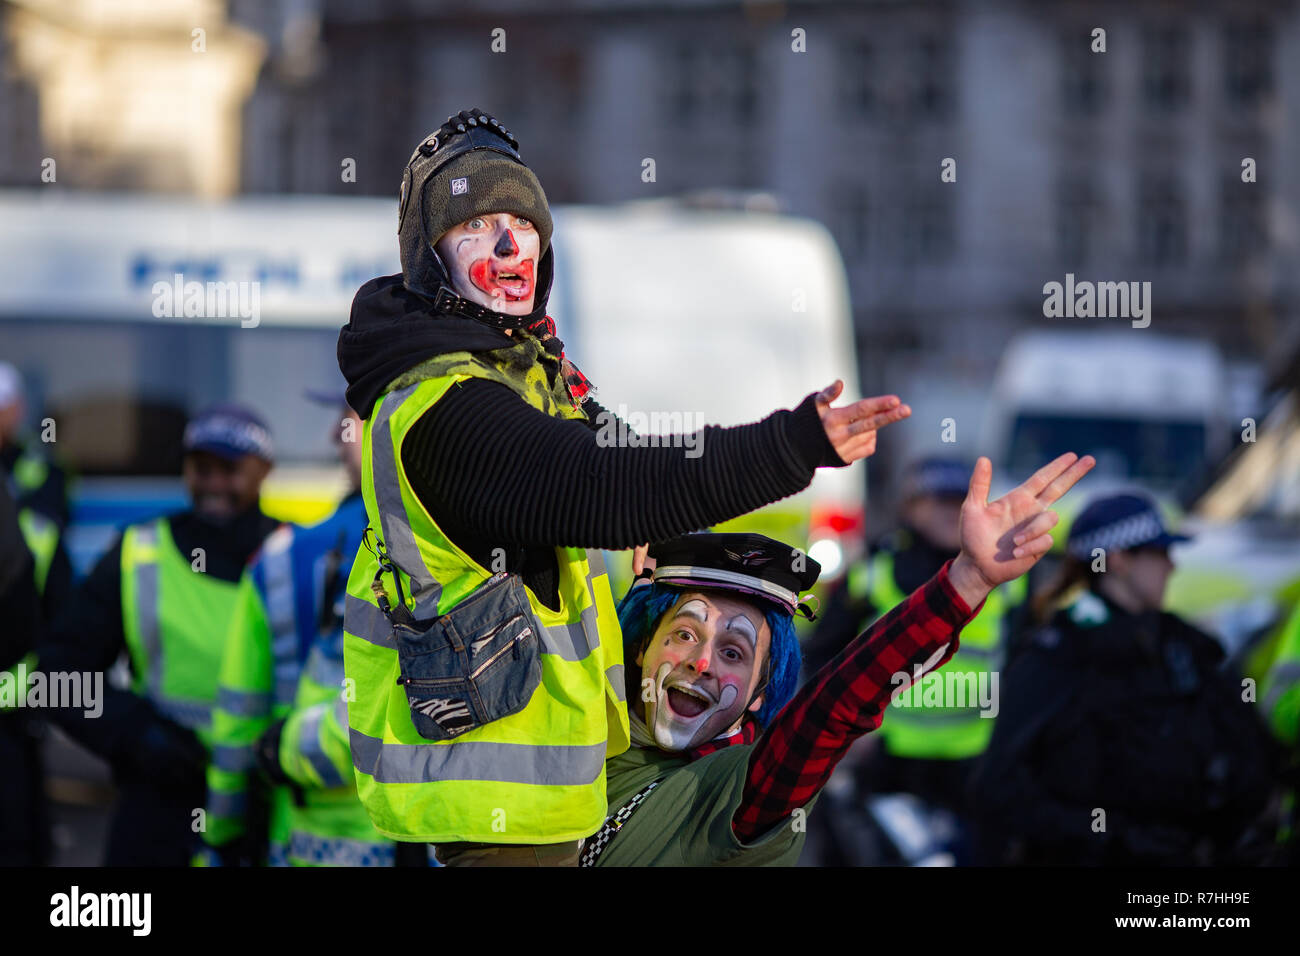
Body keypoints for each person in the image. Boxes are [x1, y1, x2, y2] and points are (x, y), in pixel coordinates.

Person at [338, 107, 912, 866]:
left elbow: (623, 461)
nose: (510, 244)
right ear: (430, 256)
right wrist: (793, 443)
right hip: (495, 825)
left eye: (524, 221)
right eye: (478, 225)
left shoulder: (521, 373)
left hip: (542, 808)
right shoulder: (446, 408)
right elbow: (605, 485)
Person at [582, 451, 1094, 865]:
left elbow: (834, 706)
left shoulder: (743, 794)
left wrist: (967, 581)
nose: (702, 663)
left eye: (733, 651)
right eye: (686, 634)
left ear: (761, 695)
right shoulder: (575, 728)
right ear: (643, 644)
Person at [968, 492, 1280, 866]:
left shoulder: (1185, 647)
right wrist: (1110, 837)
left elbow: (1247, 748)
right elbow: (997, 789)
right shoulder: (1058, 656)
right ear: (1118, 561)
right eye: (1159, 554)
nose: (1172, 567)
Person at [39, 404, 279, 866]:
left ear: (264, 470)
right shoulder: (139, 552)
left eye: (228, 469)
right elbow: (58, 671)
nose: (211, 484)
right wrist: (137, 733)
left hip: (266, 806)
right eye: (199, 468)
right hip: (162, 803)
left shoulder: (293, 555)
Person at [201, 394, 408, 866]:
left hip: (316, 841)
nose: (336, 436)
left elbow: (239, 717)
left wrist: (223, 833)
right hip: (450, 838)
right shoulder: (479, 543)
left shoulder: (282, 557)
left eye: (347, 420)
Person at [805, 456, 1026, 861]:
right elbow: (821, 657)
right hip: (888, 761)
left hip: (972, 763)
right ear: (910, 507)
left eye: (959, 501)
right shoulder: (873, 570)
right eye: (938, 499)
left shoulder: (1006, 575)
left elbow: (1026, 667)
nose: (950, 511)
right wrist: (843, 735)